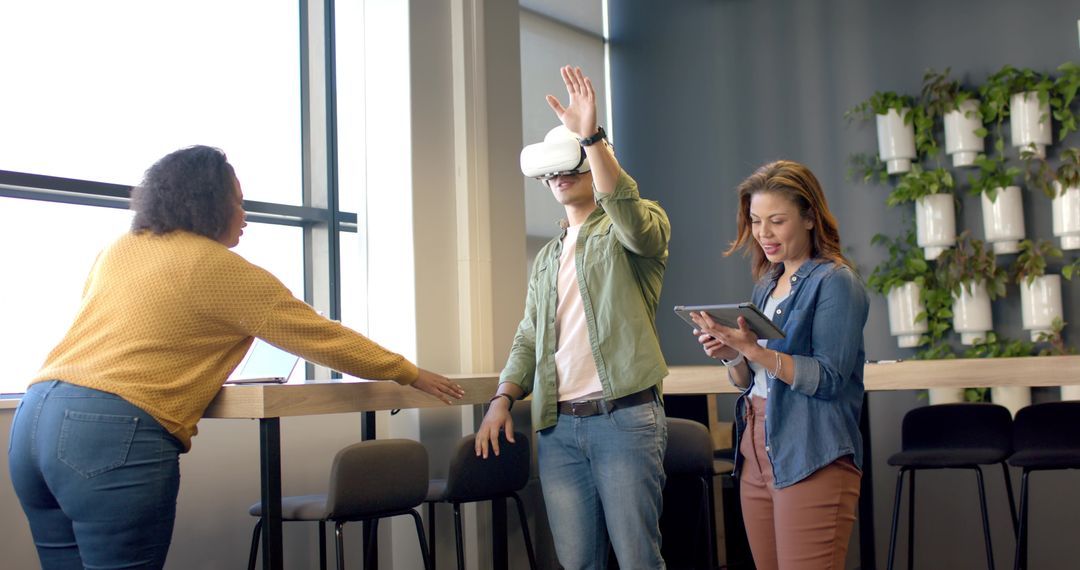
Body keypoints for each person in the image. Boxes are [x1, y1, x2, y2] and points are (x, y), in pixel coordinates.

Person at [7, 145, 465, 570]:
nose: (246, 216)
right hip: (109, 430)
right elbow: (324, 339)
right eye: (239, 202)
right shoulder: (221, 270)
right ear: (209, 203)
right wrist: (409, 372)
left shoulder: (121, 249)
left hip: (33, 421)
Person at [475, 65, 671, 569]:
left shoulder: (636, 226)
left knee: (637, 560)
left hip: (624, 419)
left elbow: (625, 212)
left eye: (571, 164)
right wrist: (502, 398)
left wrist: (590, 138)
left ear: (595, 163)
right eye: (552, 171)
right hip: (558, 427)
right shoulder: (548, 254)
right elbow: (529, 335)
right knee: (578, 563)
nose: (558, 177)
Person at [690, 160, 868, 570]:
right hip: (757, 447)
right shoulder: (767, 284)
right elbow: (751, 381)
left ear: (809, 217)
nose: (763, 234)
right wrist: (731, 353)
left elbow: (828, 378)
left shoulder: (836, 281)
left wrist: (752, 350)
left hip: (812, 451)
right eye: (754, 221)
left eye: (776, 221)